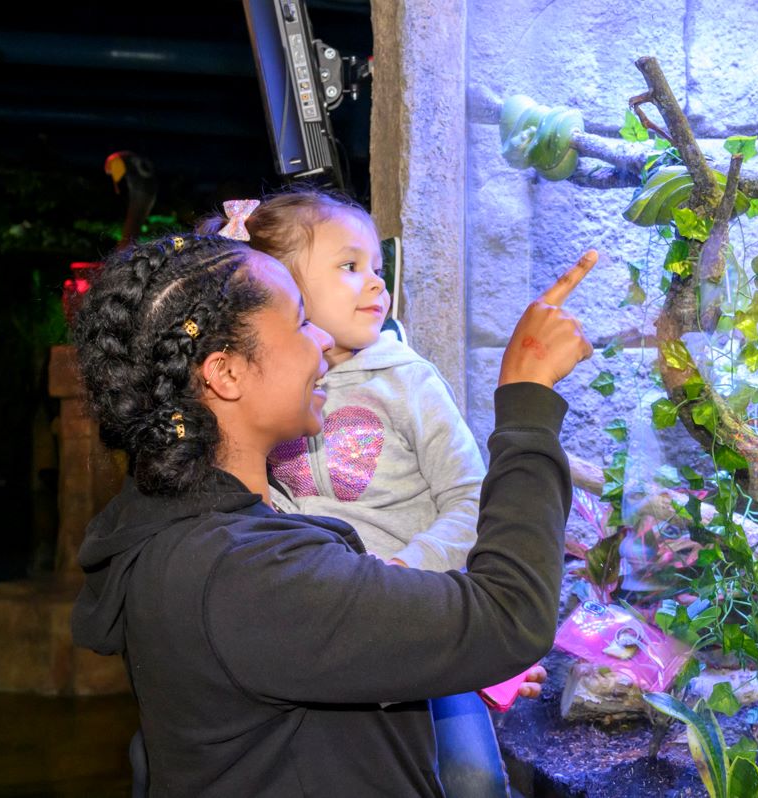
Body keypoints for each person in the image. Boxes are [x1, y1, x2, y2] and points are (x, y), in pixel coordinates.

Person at [70, 233, 595, 796]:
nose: (321, 339)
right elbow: (511, 615)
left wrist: (429, 644)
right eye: (298, 322)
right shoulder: (245, 575)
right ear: (226, 375)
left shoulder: (178, 531)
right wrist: (528, 399)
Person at [197, 189, 534, 797]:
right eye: (350, 268)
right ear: (280, 290)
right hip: (330, 635)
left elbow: (470, 498)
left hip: (421, 615)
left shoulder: (407, 378)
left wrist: (407, 571)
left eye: (377, 268)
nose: (376, 285)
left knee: (473, 777)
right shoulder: (262, 400)